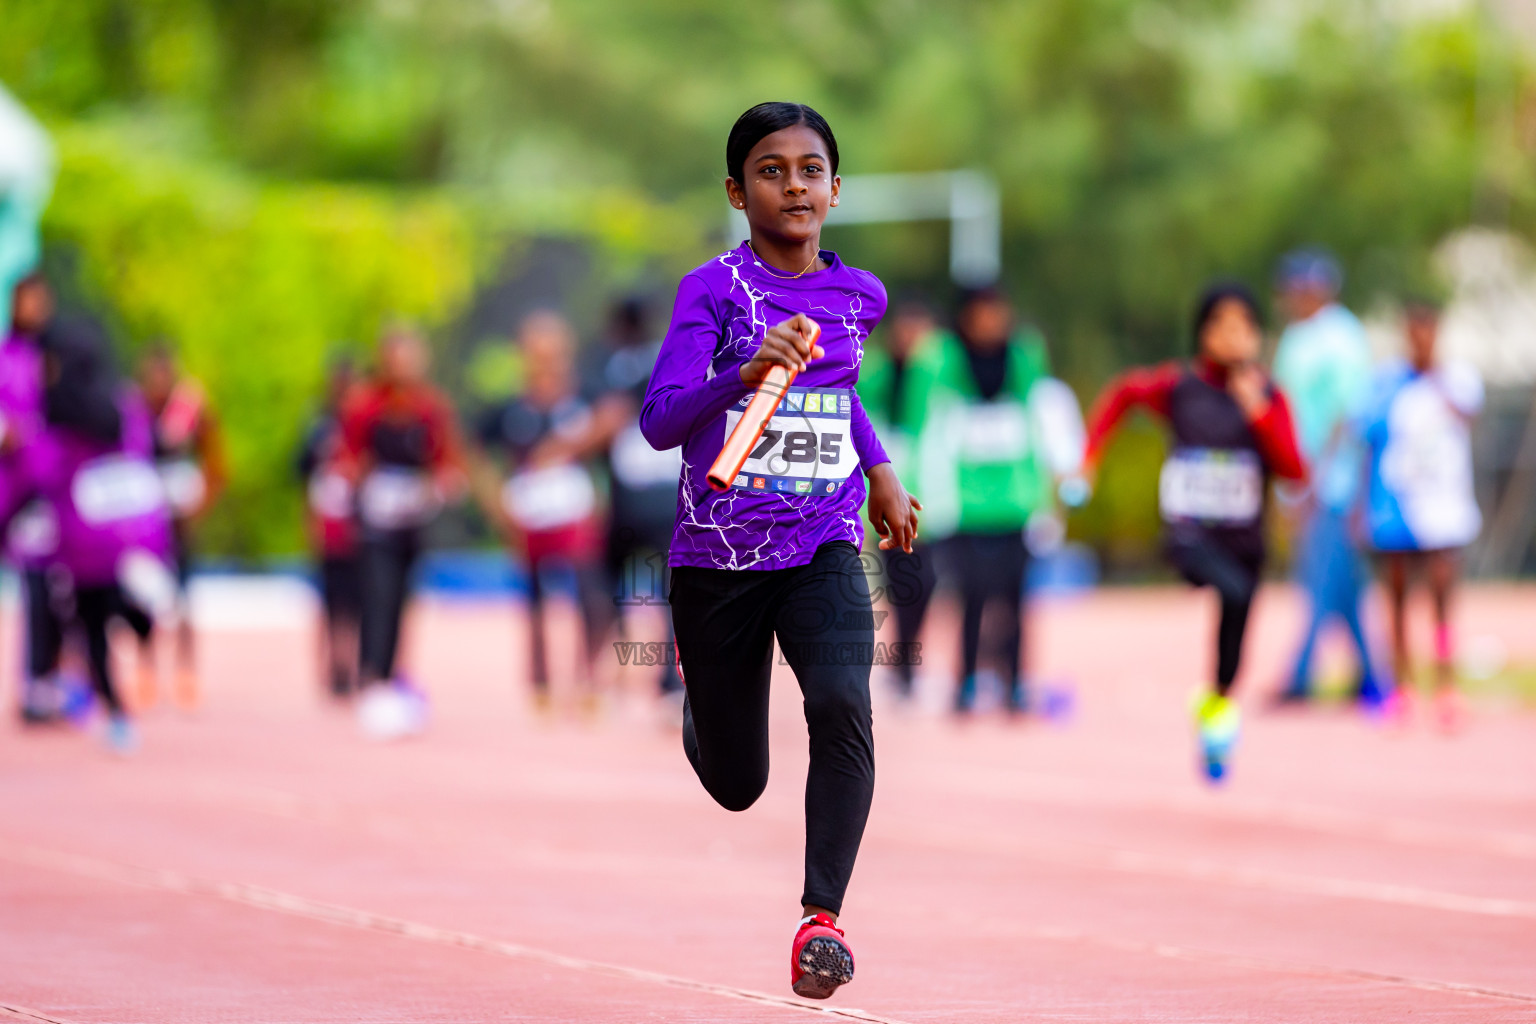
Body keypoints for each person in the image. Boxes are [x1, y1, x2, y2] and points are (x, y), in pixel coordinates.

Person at [639, 102, 918, 1000]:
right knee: (736, 782)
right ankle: (702, 707)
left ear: (836, 190)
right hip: (717, 561)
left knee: (843, 700)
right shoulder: (712, 291)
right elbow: (659, 422)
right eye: (770, 169)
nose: (792, 184)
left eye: (809, 169)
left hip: (821, 542)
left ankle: (821, 921)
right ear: (736, 189)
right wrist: (744, 370)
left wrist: (879, 472)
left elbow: (839, 397)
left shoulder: (860, 295)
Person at [1085, 283, 1306, 781]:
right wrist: (1090, 456)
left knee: (1234, 640)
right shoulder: (1179, 387)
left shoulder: (1269, 396)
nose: (1234, 337)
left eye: (1244, 327)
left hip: (1245, 540)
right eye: (1222, 326)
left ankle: (1215, 711)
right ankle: (1216, 707)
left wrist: (1259, 413)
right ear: (1203, 333)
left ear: (1257, 335)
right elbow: (1122, 393)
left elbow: (1294, 470)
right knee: (1223, 587)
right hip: (1190, 534)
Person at [27, 315, 175, 753]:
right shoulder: (121, 408)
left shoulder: (57, 417)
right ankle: (134, 632)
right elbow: (141, 456)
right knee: (116, 612)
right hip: (121, 540)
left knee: (88, 627)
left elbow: (44, 471)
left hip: (79, 544)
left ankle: (114, 711)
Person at [904, 286, 1051, 715]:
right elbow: (924, 432)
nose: (991, 322)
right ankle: (966, 680)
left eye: (998, 311)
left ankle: (1017, 682)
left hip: (1016, 504)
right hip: (964, 509)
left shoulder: (1024, 356)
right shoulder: (939, 360)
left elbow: (1040, 426)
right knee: (971, 597)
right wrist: (930, 502)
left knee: (1018, 599)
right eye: (981, 313)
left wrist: (1044, 501)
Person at [474, 311, 611, 713]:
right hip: (531, 517)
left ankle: (588, 679)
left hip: (574, 513)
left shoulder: (583, 395)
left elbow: (615, 416)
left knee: (591, 595)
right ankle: (541, 683)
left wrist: (568, 448)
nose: (546, 359)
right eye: (537, 352)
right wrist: (496, 502)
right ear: (525, 354)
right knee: (533, 599)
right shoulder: (512, 407)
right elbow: (474, 452)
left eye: (553, 351)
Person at [1359, 301, 1483, 731]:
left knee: (1442, 597)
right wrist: (1361, 507)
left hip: (1444, 507)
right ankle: (1402, 685)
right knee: (1395, 599)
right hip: (1395, 504)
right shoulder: (1386, 384)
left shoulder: (1458, 381)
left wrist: (1436, 380)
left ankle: (1446, 684)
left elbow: (1470, 415)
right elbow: (1368, 443)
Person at [338, 328, 465, 738]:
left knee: (401, 601)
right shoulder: (365, 407)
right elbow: (347, 458)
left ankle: (392, 677)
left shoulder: (430, 408)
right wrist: (363, 482)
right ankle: (372, 680)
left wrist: (438, 485)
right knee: (378, 595)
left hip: (412, 520)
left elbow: (445, 460)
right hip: (375, 521)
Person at [1270, 250, 1382, 704]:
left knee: (1321, 576)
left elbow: (1347, 413)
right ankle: (1372, 676)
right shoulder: (1297, 339)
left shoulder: (1342, 337)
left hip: (1334, 482)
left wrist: (1315, 475)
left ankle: (1300, 675)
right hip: (1301, 476)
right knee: (1342, 583)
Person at [588, 297, 685, 699]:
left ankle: (605, 671)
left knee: (607, 583)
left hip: (630, 494)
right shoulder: (669, 360)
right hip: (665, 492)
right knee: (671, 590)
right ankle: (665, 678)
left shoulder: (607, 369)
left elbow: (603, 423)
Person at [138, 344, 229, 710]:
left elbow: (215, 459)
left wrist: (202, 503)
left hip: (179, 517)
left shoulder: (190, 407)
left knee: (184, 596)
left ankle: (186, 672)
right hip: (146, 518)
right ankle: (146, 671)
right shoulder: (135, 408)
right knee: (143, 598)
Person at [855, 298, 937, 702]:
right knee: (905, 582)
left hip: (935, 498)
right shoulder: (875, 374)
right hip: (891, 494)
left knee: (926, 583)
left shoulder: (938, 374)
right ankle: (904, 667)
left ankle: (907, 662)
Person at [2, 273, 59, 721]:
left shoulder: (55, 360)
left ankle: (40, 681)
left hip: (43, 490)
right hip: (8, 486)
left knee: (44, 588)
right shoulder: (7, 358)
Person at [297, 355, 361, 700]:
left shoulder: (365, 425)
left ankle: (355, 664)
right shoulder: (319, 429)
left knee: (358, 602)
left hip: (360, 528)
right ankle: (331, 666)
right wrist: (310, 525)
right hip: (329, 527)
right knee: (330, 603)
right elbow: (304, 479)